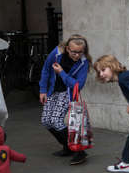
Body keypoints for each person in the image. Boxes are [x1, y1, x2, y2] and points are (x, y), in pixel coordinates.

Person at [39, 34, 92, 165]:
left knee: (56, 121)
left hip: (66, 93)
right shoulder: (57, 53)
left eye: (80, 52)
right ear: (67, 48)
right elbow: (46, 69)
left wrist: (62, 72)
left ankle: (79, 151)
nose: (76, 55)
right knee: (46, 121)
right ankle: (67, 147)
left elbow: (77, 85)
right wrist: (43, 90)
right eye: (74, 52)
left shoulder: (83, 63)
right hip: (52, 90)